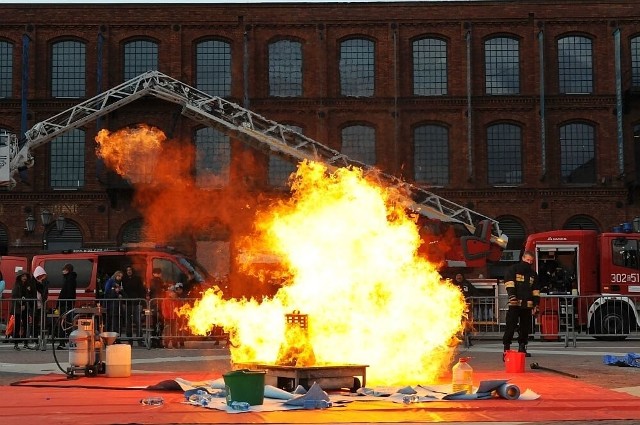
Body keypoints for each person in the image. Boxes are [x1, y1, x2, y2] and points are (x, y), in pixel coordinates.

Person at [502, 250, 540, 359]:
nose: (529, 262)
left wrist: (536, 304)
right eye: (527, 260)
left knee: (525, 328)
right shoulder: (513, 269)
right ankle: (506, 349)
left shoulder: (533, 274)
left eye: (531, 261)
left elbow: (536, 290)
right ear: (523, 258)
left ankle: (522, 348)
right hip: (515, 304)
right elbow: (509, 283)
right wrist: (512, 296)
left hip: (527, 306)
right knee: (511, 326)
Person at [10, 271, 37, 350]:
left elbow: (30, 295)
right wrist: (21, 304)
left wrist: (25, 303)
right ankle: (16, 343)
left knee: (26, 325)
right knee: (17, 326)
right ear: (19, 277)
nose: (24, 278)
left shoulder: (28, 285)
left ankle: (25, 343)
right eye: (23, 276)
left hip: (25, 308)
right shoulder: (17, 285)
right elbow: (14, 296)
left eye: (25, 276)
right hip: (18, 309)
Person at [452, 273, 478, 347]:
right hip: (455, 308)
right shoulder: (452, 284)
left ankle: (468, 340)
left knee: (467, 324)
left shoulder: (467, 284)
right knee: (455, 325)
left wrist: (473, 299)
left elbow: (475, 292)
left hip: (466, 307)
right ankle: (454, 340)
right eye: (457, 276)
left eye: (460, 275)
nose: (459, 277)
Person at [123, 265, 146, 345]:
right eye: (127, 270)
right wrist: (123, 303)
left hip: (136, 303)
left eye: (130, 270)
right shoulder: (124, 279)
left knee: (138, 322)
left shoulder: (137, 279)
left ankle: (140, 340)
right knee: (128, 323)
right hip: (127, 303)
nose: (129, 271)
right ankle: (130, 341)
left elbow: (141, 290)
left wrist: (142, 303)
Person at [55, 264, 77, 349]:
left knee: (64, 323)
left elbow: (66, 292)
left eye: (64, 270)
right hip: (68, 303)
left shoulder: (69, 279)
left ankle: (62, 341)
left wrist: (60, 303)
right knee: (67, 323)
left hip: (65, 304)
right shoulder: (70, 278)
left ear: (67, 270)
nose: (62, 271)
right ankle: (64, 341)